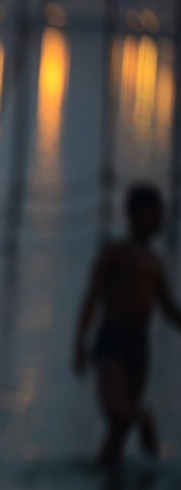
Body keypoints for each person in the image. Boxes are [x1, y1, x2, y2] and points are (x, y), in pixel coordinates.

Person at [74, 182, 181, 466]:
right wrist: (79, 343)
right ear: (137, 215)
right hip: (112, 342)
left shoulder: (154, 263)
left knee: (118, 432)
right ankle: (143, 418)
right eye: (154, 213)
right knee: (118, 411)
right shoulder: (116, 253)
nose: (159, 219)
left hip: (139, 347)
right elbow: (92, 297)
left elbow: (169, 309)